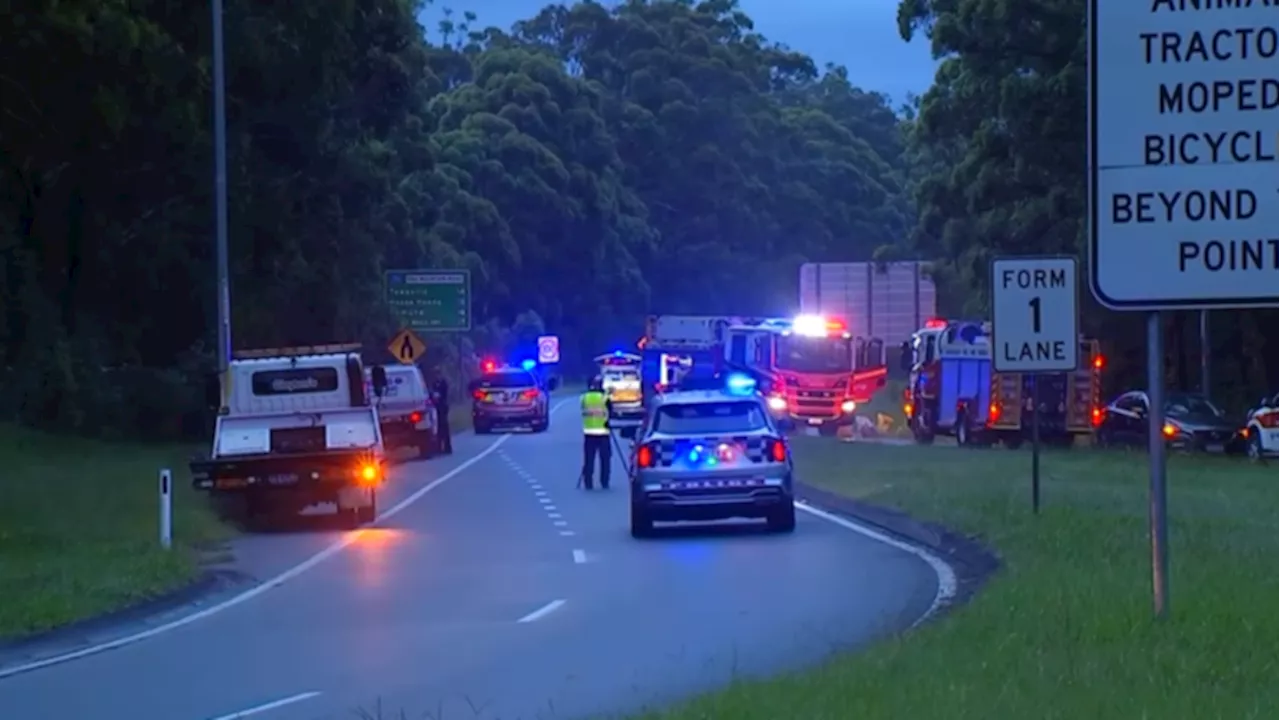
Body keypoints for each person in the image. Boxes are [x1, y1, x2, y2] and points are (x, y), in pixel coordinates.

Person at [580, 375, 611, 490]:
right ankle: (604, 481)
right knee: (605, 460)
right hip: (603, 433)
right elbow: (611, 413)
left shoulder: (584, 398)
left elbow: (583, 411)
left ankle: (588, 482)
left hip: (588, 433)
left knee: (589, 459)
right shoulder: (604, 397)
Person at [432, 370, 452, 455]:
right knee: (438, 427)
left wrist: (439, 396)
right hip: (436, 407)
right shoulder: (434, 384)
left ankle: (447, 447)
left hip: (443, 406)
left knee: (444, 426)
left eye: (438, 374)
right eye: (436, 374)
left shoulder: (444, 383)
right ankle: (438, 447)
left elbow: (444, 394)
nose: (437, 376)